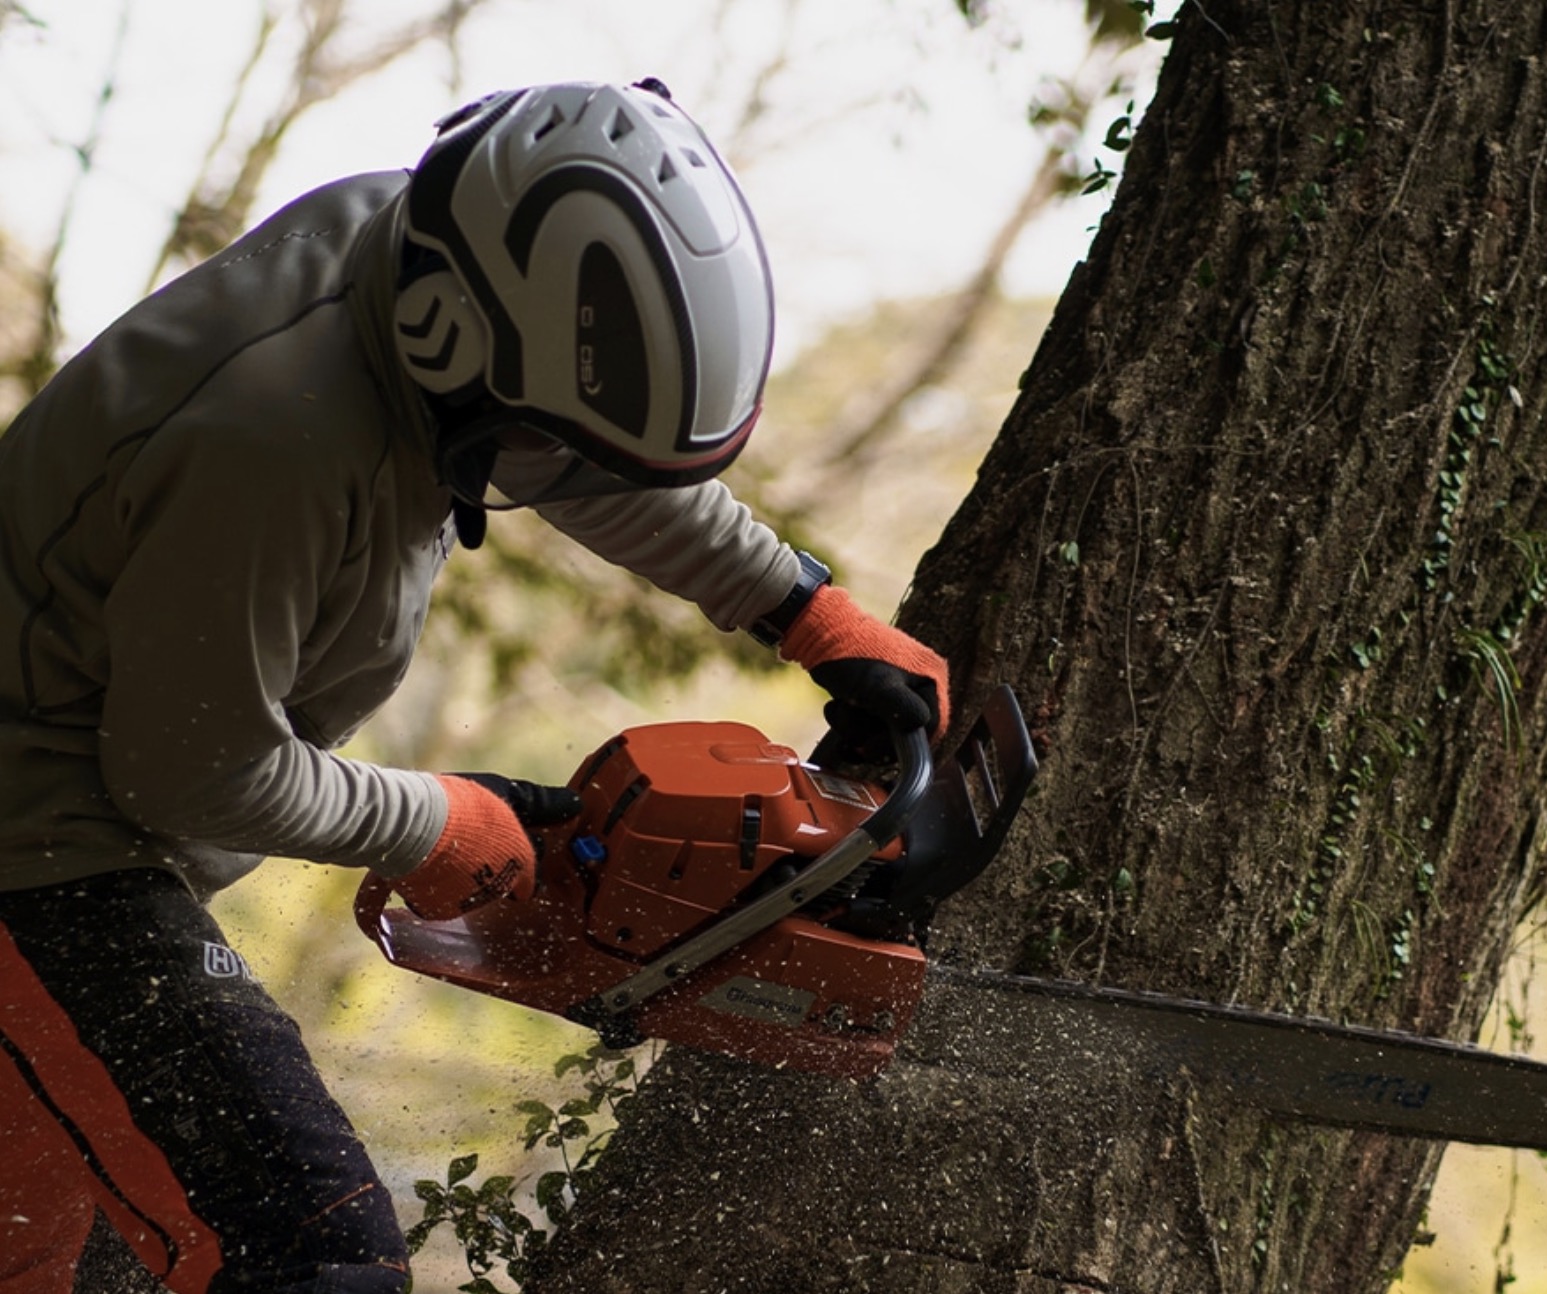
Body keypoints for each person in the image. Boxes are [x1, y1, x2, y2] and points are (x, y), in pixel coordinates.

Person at [0, 78, 948, 1293]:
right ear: (448, 334)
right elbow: (194, 766)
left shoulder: (430, 273)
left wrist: (804, 609)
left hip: (90, 831)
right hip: (38, 849)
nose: (548, 470)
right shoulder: (270, 435)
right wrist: (447, 821)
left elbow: (564, 448)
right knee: (311, 1246)